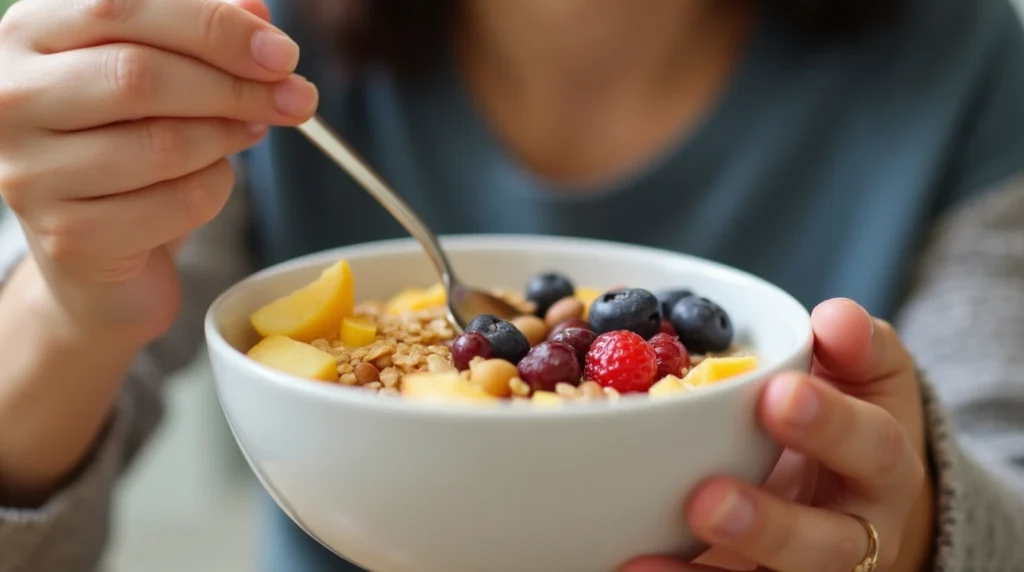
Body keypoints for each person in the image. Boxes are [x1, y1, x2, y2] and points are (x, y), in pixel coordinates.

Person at [1, 0, 1024, 570]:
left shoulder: (972, 66)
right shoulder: (246, 44)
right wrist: (74, 308)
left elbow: (1004, 473)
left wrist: (920, 531)